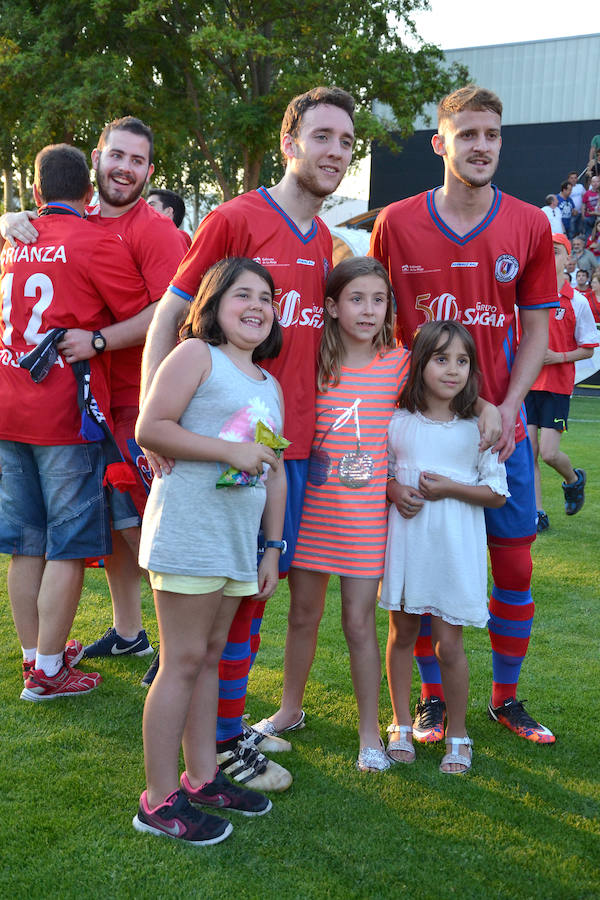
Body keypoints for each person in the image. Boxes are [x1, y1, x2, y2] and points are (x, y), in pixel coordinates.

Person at [140, 86, 356, 790]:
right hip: (216, 453)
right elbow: (171, 315)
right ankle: (222, 745)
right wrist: (154, 423)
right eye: (321, 136)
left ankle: (223, 734)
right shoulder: (236, 217)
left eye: (346, 143)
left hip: (282, 454)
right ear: (291, 141)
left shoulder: (326, 241)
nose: (334, 152)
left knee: (252, 595)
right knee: (222, 611)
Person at [371, 84, 559, 745]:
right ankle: (430, 701)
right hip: (423, 433)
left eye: (492, 135)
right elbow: (377, 321)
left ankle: (506, 699)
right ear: (440, 142)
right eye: (469, 134)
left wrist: (508, 409)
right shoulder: (395, 222)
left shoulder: (531, 224)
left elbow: (536, 330)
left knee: (514, 567)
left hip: (494, 433)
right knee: (420, 569)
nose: (482, 146)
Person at [0, 118, 189, 662]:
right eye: (117, 156)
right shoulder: (75, 221)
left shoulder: (156, 231)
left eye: (137, 161)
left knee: (141, 529)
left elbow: (173, 313)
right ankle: (128, 631)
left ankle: (174, 651)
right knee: (112, 531)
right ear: (96, 161)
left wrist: (101, 339)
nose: (125, 168)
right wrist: (12, 219)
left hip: (137, 400)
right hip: (85, 406)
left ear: (150, 171)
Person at [133, 257, 286, 845]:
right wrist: (227, 454)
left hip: (235, 545)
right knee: (182, 661)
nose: (256, 305)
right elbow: (152, 426)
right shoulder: (196, 355)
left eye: (266, 298)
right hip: (188, 535)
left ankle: (201, 778)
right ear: (214, 303)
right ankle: (159, 798)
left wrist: (271, 548)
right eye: (242, 294)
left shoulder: (268, 384)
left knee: (210, 657)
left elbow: (272, 471)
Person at [252, 257, 410, 772]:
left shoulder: (400, 363)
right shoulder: (311, 358)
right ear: (331, 307)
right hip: (313, 509)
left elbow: (442, 405)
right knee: (302, 615)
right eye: (356, 299)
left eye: (378, 299)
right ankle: (289, 709)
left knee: (359, 623)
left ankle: (370, 735)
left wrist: (487, 411)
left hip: (365, 516)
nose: (368, 310)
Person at [381, 321, 508, 774]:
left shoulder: (478, 427)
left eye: (462, 361)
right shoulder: (396, 423)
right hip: (409, 543)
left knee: (448, 645)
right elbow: (380, 475)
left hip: (454, 548)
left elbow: (496, 493)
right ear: (419, 365)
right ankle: (398, 724)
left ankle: (458, 733)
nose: (452, 370)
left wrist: (451, 488)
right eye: (441, 358)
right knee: (403, 634)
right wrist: (395, 488)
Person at [526, 233, 598, 533]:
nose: (549, 257)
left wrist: (558, 357)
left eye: (555, 252)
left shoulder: (578, 301)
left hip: (557, 387)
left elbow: (588, 347)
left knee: (550, 453)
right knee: (527, 452)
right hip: (528, 385)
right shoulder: (528, 295)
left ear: (567, 259)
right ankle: (537, 512)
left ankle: (573, 479)